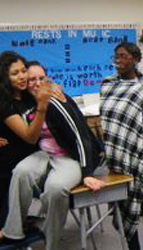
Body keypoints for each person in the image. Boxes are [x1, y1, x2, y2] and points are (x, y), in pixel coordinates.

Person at [0, 60, 105, 250]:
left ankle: (52, 243)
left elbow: (81, 137)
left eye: (41, 78)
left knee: (55, 188)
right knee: (21, 172)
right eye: (31, 79)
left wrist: (87, 172)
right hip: (44, 154)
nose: (36, 83)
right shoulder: (26, 102)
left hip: (70, 156)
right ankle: (13, 232)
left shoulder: (56, 100)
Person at [101, 42, 143, 250]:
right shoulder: (108, 85)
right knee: (126, 202)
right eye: (116, 57)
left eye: (123, 56)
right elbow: (110, 121)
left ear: (136, 59)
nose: (118, 61)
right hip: (122, 154)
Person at [0, 51, 45, 230]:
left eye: (23, 70)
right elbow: (30, 136)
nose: (22, 76)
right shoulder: (6, 104)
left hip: (30, 161)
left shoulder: (27, 97)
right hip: (9, 169)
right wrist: (42, 108)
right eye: (14, 73)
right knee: (7, 227)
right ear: (5, 78)